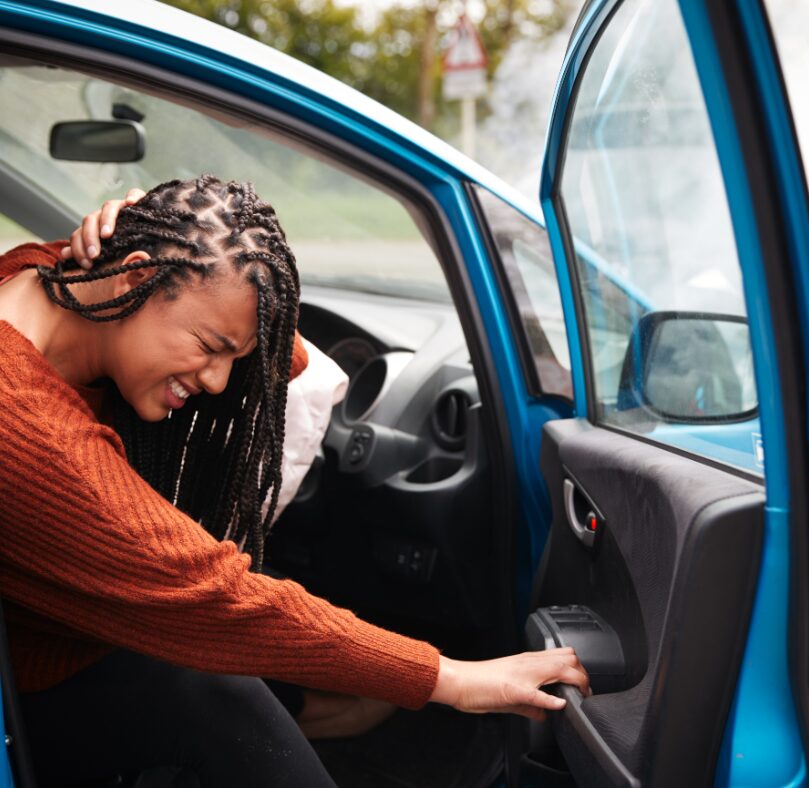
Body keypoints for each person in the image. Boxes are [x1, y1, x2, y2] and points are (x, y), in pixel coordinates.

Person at [0, 176, 589, 787]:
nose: (218, 381)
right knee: (216, 691)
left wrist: (139, 237)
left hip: (63, 636)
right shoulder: (25, 428)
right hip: (32, 685)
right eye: (208, 346)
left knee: (251, 646)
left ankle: (328, 709)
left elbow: (285, 359)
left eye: (231, 356)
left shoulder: (41, 274)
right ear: (135, 277)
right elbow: (216, 597)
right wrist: (457, 680)